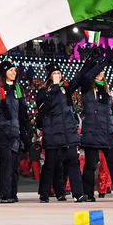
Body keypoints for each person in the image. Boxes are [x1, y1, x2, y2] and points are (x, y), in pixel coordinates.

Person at [0, 60, 31, 203]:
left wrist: (27, 127)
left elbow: (22, 112)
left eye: (15, 70)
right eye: (10, 70)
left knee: (14, 164)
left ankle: (12, 193)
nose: (14, 73)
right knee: (6, 163)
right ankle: (5, 194)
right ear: (3, 73)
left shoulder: (17, 89)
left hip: (14, 132)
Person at [35, 63, 86, 203]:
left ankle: (78, 193)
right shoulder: (43, 91)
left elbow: (79, 77)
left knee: (72, 162)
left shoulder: (66, 88)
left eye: (59, 72)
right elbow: (42, 108)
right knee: (50, 164)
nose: (57, 75)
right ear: (50, 76)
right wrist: (54, 89)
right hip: (52, 133)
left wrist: (90, 61)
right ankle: (44, 193)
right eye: (54, 73)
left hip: (68, 132)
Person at [78, 53, 113, 202]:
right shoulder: (86, 88)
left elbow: (110, 114)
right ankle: (88, 193)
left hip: (107, 133)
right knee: (90, 165)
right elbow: (86, 78)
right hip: (92, 133)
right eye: (97, 71)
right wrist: (100, 64)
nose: (100, 73)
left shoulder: (106, 92)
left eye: (101, 71)